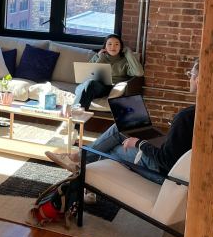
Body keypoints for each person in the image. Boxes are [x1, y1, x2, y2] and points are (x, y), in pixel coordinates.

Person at [48, 59, 198, 185]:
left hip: (163, 174)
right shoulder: (198, 114)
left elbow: (166, 161)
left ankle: (82, 174)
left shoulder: (185, 117)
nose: (188, 78)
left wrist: (139, 143)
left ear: (198, 79)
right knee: (120, 128)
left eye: (190, 74)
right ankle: (80, 163)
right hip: (176, 169)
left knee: (112, 149)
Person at [73, 33, 143, 110]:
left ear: (121, 47)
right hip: (90, 86)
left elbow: (139, 73)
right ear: (105, 47)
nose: (113, 47)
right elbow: (87, 75)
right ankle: (77, 112)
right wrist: (100, 57)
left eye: (116, 44)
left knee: (89, 84)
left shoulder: (125, 61)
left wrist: (128, 51)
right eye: (109, 44)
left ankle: (76, 112)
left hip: (107, 88)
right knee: (88, 84)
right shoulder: (99, 56)